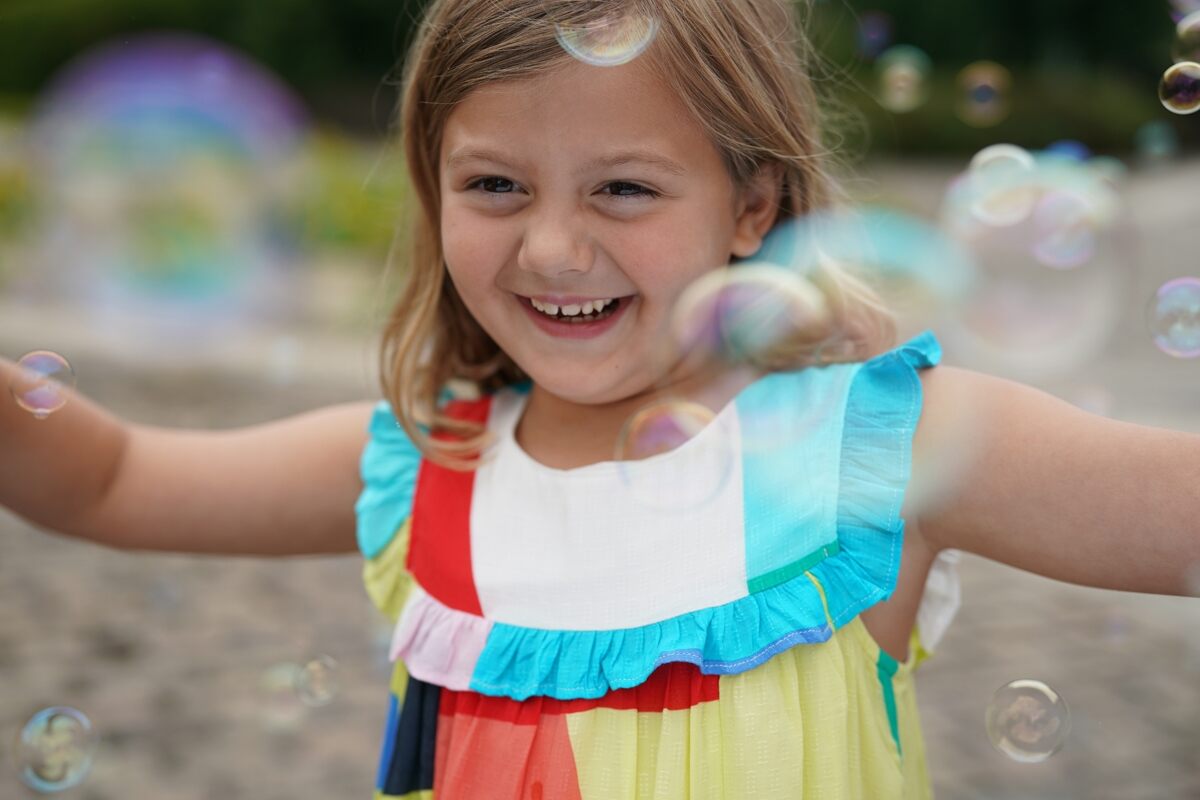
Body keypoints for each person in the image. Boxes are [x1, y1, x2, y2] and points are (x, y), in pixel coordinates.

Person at [2, 0, 1198, 797]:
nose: (554, 248)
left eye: (624, 188)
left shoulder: (874, 448)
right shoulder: (429, 462)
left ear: (753, 203)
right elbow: (107, 476)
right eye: (494, 185)